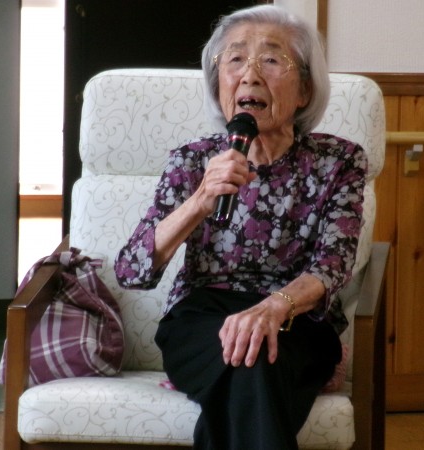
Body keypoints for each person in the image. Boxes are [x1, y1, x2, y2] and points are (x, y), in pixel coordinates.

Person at [114, 4, 367, 449]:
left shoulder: (338, 161)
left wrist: (274, 307)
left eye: (270, 59)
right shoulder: (193, 160)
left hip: (297, 320)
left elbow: (333, 264)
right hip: (201, 321)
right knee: (254, 363)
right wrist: (200, 200)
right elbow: (132, 270)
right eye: (234, 59)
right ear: (219, 85)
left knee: (256, 360)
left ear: (305, 90)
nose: (250, 75)